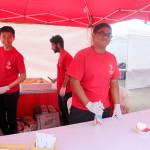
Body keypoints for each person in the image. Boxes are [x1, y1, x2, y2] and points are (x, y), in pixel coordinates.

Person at [67, 23, 122, 124]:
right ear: (93, 36)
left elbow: (114, 83)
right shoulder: (82, 55)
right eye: (102, 33)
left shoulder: (112, 58)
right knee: (79, 139)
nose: (106, 36)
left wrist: (117, 105)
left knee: (102, 138)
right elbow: (74, 81)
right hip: (82, 110)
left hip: (103, 109)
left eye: (109, 34)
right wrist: (89, 104)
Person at [0, 26, 26, 134]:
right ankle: (6, 135)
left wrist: (7, 87)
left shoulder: (17, 56)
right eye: (3, 36)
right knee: (0, 116)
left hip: (11, 92)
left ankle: (13, 137)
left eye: (9, 37)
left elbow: (23, 76)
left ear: (13, 38)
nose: (6, 40)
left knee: (11, 117)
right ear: (0, 37)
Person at [49, 35, 73, 125]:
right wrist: (56, 79)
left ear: (58, 44)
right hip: (61, 89)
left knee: (66, 113)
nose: (51, 48)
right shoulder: (61, 55)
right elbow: (63, 71)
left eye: (52, 45)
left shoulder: (67, 56)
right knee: (62, 111)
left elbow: (69, 72)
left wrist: (63, 87)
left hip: (66, 90)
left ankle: (68, 130)